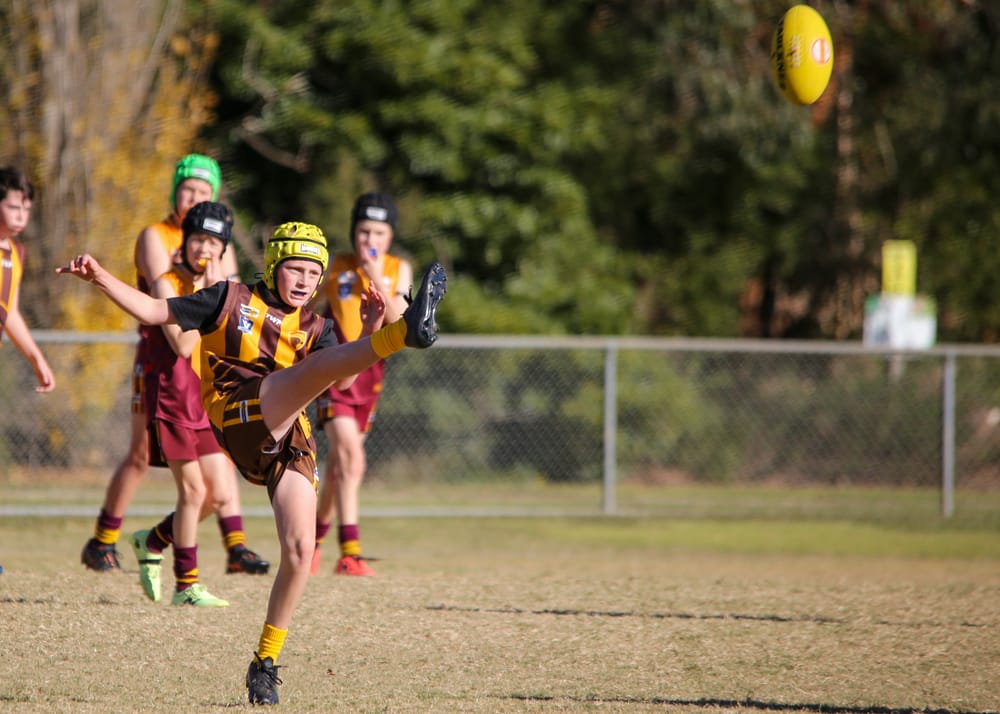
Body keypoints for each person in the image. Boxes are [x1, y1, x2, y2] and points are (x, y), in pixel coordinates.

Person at [57, 222, 446, 705]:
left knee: (300, 551)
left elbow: (342, 384)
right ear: (273, 265)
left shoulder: (318, 326)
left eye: (314, 273)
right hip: (237, 414)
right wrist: (99, 277)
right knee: (308, 372)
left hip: (289, 436)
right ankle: (403, 334)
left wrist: (366, 331)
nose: (304, 280)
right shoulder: (228, 297)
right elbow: (155, 311)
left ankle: (264, 663)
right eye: (295, 269)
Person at [80, 154, 268, 577]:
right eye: (188, 189)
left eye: (204, 191)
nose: (194, 197)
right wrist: (211, 286)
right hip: (160, 362)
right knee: (142, 455)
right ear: (174, 192)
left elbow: (229, 295)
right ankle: (103, 540)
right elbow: (176, 303)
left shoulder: (216, 238)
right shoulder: (158, 236)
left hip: (203, 365)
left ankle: (234, 545)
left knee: (219, 457)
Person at [129, 201, 260, 607]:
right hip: (172, 399)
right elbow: (183, 345)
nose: (205, 249)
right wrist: (212, 297)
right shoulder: (166, 283)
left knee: (217, 495)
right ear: (184, 241)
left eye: (214, 243)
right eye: (198, 239)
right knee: (192, 491)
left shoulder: (225, 289)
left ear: (223, 249)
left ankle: (153, 540)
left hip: (207, 400)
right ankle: (186, 586)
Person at [311, 192, 412, 576]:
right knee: (353, 460)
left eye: (379, 233)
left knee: (340, 467)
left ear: (390, 236)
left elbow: (400, 323)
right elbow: (305, 304)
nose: (370, 239)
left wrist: (375, 277)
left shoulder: (398, 269)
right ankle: (350, 553)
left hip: (370, 376)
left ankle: (313, 543)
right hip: (335, 371)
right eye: (364, 231)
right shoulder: (336, 265)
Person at [0, 166, 56, 394]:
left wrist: (36, 358)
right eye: (14, 207)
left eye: (27, 208)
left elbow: (10, 312)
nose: (21, 215)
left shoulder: (17, 253)